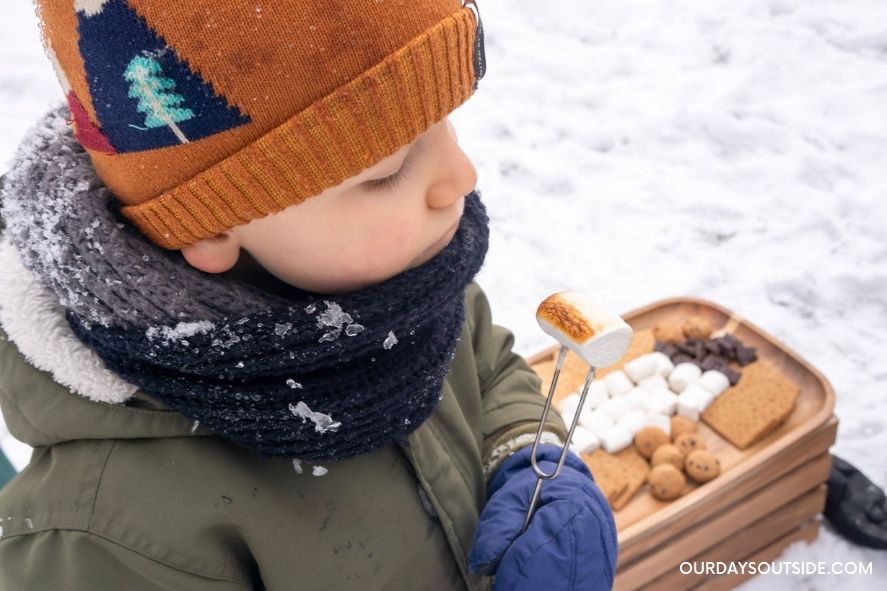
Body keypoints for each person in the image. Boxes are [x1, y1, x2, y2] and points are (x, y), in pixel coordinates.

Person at [0, 1, 617, 589]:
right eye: (388, 171)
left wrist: (522, 453)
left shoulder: (397, 274)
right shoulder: (110, 537)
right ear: (209, 223)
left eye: (445, 121)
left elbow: (479, 356)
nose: (462, 174)